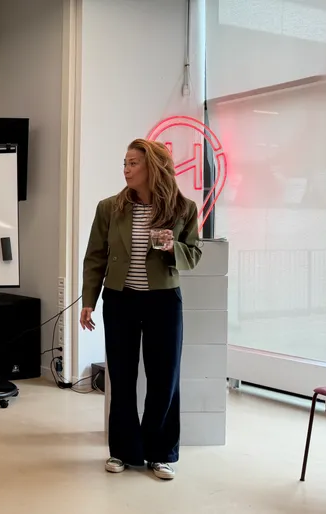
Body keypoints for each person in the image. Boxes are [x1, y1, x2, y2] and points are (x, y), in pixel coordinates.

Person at [79, 138, 202, 481]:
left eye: (133, 163)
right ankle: (122, 451)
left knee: (165, 378)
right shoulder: (110, 208)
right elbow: (95, 256)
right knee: (122, 377)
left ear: (153, 167)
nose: (126, 169)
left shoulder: (183, 208)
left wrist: (171, 246)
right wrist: (89, 300)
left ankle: (160, 454)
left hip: (164, 300)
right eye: (125, 163)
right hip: (120, 299)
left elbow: (193, 255)